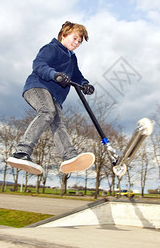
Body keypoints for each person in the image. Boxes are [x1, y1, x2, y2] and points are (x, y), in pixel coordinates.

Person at [7, 21, 96, 175]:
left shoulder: (72, 58)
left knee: (59, 123)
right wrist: (54, 75)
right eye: (74, 38)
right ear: (63, 34)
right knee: (47, 112)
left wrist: (85, 84)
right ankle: (22, 152)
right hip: (37, 87)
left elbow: (77, 75)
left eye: (79, 42)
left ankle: (69, 156)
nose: (76, 43)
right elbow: (39, 65)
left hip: (54, 96)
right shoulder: (52, 48)